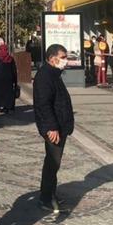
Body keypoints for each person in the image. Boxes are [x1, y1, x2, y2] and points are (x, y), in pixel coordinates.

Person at [33, 44, 74, 215]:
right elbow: (44, 104)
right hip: (53, 128)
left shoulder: (54, 74)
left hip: (60, 126)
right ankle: (46, 198)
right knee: (52, 163)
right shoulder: (45, 76)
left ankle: (50, 193)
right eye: (63, 57)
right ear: (52, 59)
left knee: (53, 164)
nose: (66, 60)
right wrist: (52, 127)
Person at [0, 44, 18, 113]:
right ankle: (6, 107)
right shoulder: (10, 58)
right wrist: (15, 80)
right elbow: (14, 70)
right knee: (7, 93)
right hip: (8, 78)